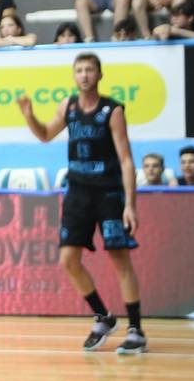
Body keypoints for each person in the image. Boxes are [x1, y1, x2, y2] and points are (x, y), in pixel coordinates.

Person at [17, 55, 146, 354]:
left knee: (119, 259)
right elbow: (45, 135)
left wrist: (130, 204)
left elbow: (127, 160)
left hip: (109, 193)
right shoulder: (68, 106)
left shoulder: (112, 110)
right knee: (68, 260)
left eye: (89, 70)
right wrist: (29, 116)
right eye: (79, 70)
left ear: (99, 75)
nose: (84, 75)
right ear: (74, 76)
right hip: (77, 193)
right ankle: (103, 316)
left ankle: (136, 330)